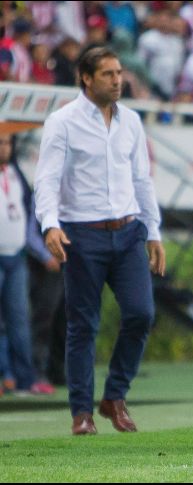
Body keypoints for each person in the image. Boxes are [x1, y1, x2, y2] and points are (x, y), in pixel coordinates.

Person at [34, 46, 165, 435]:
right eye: (107, 73)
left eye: (119, 72)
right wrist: (49, 224)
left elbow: (142, 179)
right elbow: (47, 179)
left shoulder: (132, 122)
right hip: (82, 235)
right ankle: (81, 413)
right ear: (86, 78)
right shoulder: (62, 122)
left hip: (128, 232)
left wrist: (153, 230)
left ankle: (114, 396)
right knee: (83, 325)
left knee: (141, 314)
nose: (117, 79)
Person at [0, 133, 54, 396]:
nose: (5, 147)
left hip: (16, 257)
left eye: (7, 142)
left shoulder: (15, 174)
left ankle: (24, 378)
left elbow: (27, 212)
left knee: (20, 319)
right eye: (0, 143)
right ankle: (5, 376)